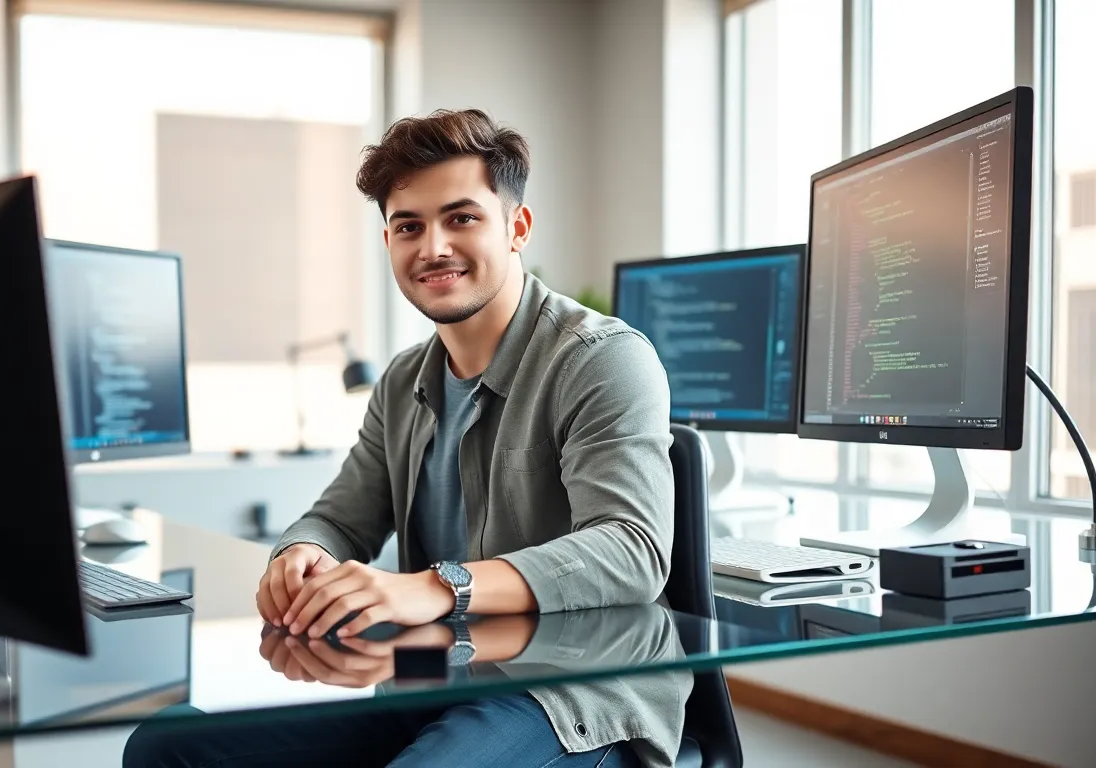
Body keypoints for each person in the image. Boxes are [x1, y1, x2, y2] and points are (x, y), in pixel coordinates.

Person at [124, 109, 680, 767]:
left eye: (462, 217)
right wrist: (300, 554)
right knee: (167, 747)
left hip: (574, 698)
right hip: (432, 672)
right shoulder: (402, 382)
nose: (433, 246)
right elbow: (339, 517)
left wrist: (437, 588)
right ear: (387, 240)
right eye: (409, 226)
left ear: (517, 227)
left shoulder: (600, 357)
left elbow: (633, 550)